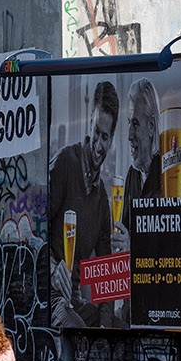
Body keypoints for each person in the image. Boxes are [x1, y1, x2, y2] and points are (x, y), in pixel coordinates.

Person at [49, 80, 120, 326]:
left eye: (105, 137)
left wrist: (106, 323)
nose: (99, 145)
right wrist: (51, 268)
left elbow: (108, 272)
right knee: (76, 327)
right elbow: (35, 231)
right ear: (90, 121)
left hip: (75, 302)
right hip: (49, 298)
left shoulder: (102, 199)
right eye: (96, 133)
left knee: (122, 331)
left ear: (111, 140)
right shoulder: (65, 163)